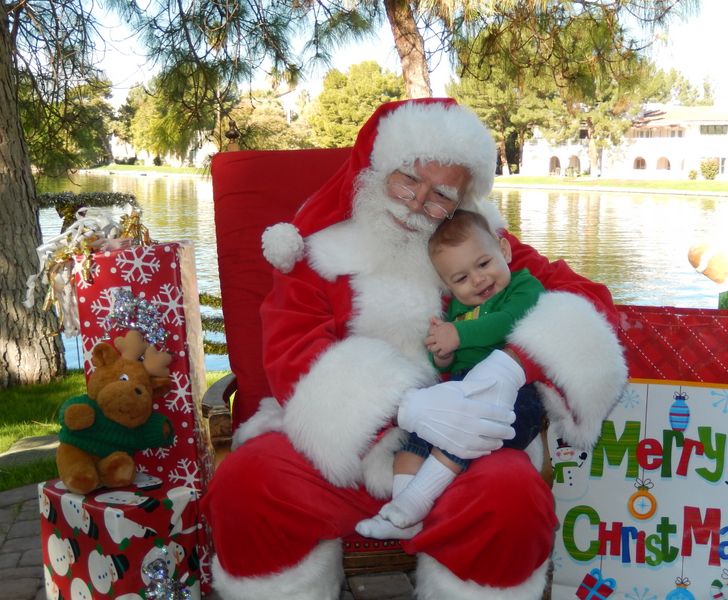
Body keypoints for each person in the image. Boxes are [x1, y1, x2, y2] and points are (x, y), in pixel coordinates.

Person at [201, 98, 628, 600]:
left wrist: (513, 367)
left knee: (512, 501)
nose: (415, 203)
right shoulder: (318, 250)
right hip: (341, 441)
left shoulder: (475, 245)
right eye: (407, 179)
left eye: (439, 194)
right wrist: (407, 408)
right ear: (378, 167)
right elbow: (292, 354)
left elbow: (586, 302)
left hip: (463, 446)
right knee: (248, 485)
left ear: (461, 201)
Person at [355, 209, 546, 540]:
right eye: (460, 279)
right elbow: (449, 365)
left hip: (514, 398)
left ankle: (415, 502)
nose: (478, 280)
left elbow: (508, 322)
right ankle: (402, 515)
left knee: (462, 431)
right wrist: (443, 353)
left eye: (483, 264)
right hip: (460, 388)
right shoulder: (458, 309)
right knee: (413, 442)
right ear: (448, 285)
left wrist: (459, 336)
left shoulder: (523, 286)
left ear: (504, 251)